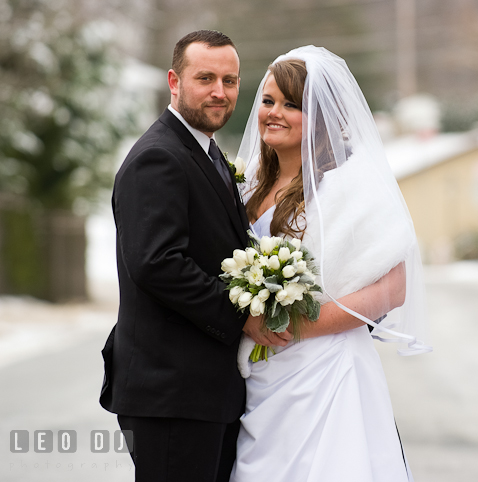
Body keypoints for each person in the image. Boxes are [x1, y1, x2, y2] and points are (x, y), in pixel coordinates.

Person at [229, 46, 432, 482]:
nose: (273, 113)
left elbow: (392, 288)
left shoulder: (348, 184)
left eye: (291, 104)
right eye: (268, 101)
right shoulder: (248, 187)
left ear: (318, 115)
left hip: (328, 368)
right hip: (265, 376)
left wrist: (296, 326)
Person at [99, 30, 291, 482]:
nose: (219, 92)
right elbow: (156, 262)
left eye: (230, 80)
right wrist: (242, 316)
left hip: (203, 393)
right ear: (174, 80)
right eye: (205, 78)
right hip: (172, 394)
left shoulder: (206, 154)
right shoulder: (159, 157)